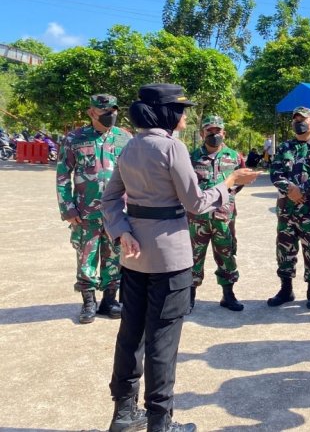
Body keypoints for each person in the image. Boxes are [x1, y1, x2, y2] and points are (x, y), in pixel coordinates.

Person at [101, 84, 259, 432]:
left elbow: (110, 198)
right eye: (182, 109)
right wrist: (230, 182)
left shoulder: (130, 146)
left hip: (134, 256)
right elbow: (197, 203)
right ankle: (160, 421)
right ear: (168, 113)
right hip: (170, 256)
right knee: (163, 339)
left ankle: (124, 412)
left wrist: (121, 230)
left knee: (131, 334)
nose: (187, 115)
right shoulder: (172, 147)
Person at [56, 94, 131, 324]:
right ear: (91, 113)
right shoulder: (74, 139)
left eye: (114, 111)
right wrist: (68, 208)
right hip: (85, 212)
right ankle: (89, 301)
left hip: (116, 212)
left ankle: (110, 299)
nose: (112, 115)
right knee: (85, 256)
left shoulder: (125, 138)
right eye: (105, 112)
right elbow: (62, 176)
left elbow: (135, 174)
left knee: (114, 256)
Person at [267, 106, 310, 309]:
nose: (299, 123)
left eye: (303, 119)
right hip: (287, 210)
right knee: (284, 249)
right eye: (295, 119)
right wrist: (290, 190)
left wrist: (301, 191)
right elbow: (275, 173)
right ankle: (286, 289)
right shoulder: (284, 147)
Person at [188, 115, 246, 313]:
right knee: (193, 256)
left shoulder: (234, 157)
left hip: (224, 217)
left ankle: (228, 295)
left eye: (217, 131)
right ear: (203, 132)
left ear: (224, 133)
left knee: (227, 254)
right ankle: (189, 295)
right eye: (209, 130)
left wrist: (228, 197)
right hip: (197, 218)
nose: (214, 134)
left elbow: (241, 179)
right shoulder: (192, 157)